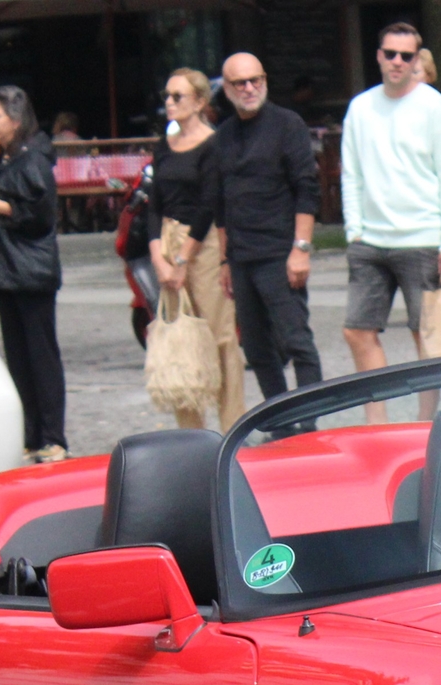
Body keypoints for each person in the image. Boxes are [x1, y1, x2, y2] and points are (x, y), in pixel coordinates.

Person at [341, 22, 441, 375]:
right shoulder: (361, 108)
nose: (398, 61)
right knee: (356, 331)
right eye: (391, 53)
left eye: (406, 55)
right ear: (379, 56)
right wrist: (354, 230)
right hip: (369, 240)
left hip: (422, 239)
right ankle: (377, 424)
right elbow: (351, 174)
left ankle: (424, 422)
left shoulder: (436, 107)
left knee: (425, 337)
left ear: (416, 59)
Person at [206, 53, 324, 397]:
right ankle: (280, 427)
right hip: (241, 257)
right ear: (226, 89)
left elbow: (307, 189)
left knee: (296, 341)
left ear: (265, 80)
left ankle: (309, 425)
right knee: (257, 350)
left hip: (280, 252)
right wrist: (225, 260)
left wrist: (301, 249)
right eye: (239, 82)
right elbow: (220, 203)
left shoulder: (288, 124)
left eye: (255, 80)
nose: (249, 88)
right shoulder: (223, 136)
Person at [147, 68, 246, 429]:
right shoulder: (164, 145)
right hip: (169, 236)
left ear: (200, 102)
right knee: (180, 336)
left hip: (201, 244)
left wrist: (182, 258)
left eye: (178, 96)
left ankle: (231, 425)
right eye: (167, 96)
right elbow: (154, 201)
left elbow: (209, 204)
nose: (170, 103)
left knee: (217, 335)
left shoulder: (213, 144)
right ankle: (189, 432)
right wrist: (157, 254)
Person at [0, 86, 67, 462]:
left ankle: (52, 435)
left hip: (31, 272)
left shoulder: (34, 161)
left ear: (16, 119)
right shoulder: (0, 160)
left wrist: (3, 208)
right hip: (5, 271)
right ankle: (30, 433)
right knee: (17, 357)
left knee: (40, 356)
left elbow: (42, 216)